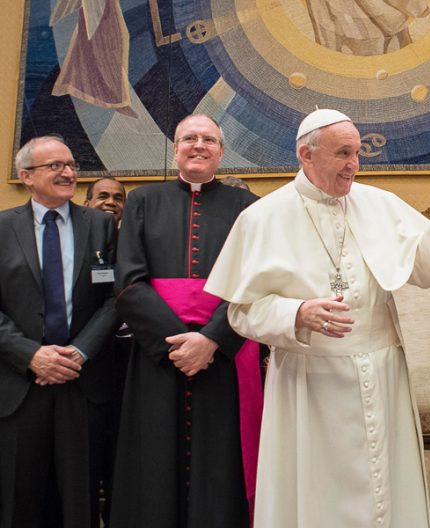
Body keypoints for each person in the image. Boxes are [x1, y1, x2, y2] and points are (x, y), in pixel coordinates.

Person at [205, 108, 430, 527]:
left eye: (357, 153)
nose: (354, 164)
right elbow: (241, 313)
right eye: (343, 153)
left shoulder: (380, 204)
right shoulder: (262, 217)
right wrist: (296, 313)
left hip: (382, 374)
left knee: (385, 490)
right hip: (310, 382)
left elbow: (422, 272)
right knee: (317, 497)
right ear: (306, 155)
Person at [110, 114, 259, 528]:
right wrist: (178, 343)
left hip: (224, 352)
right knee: (155, 454)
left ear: (221, 152)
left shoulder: (247, 207)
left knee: (222, 457)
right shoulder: (142, 201)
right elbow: (128, 283)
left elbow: (254, 284)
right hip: (161, 353)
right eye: (189, 138)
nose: (198, 145)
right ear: (174, 148)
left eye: (208, 139)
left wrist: (210, 340)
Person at [0, 136, 119, 527]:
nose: (68, 173)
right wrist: (30, 354)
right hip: (20, 385)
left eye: (71, 165)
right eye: (55, 166)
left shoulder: (102, 226)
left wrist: (80, 351)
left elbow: (117, 298)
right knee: (19, 499)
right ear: (26, 176)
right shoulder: (2, 228)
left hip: (81, 381)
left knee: (80, 500)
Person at [82, 174, 128, 526]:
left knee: (121, 459)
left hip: (127, 367)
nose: (110, 202)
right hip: (81, 364)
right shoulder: (79, 240)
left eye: (118, 197)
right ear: (87, 202)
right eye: (103, 196)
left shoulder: (135, 242)